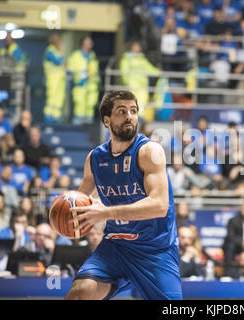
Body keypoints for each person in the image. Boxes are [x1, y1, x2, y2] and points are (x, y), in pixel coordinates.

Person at [64, 90, 182, 300]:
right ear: (106, 120)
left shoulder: (149, 152)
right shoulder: (95, 158)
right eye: (122, 111)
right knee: (79, 294)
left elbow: (159, 205)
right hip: (115, 247)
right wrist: (63, 213)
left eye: (133, 111)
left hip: (155, 250)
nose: (129, 116)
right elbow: (76, 201)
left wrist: (105, 213)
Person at [119, 41, 160, 120]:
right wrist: (126, 82)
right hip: (133, 84)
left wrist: (158, 72)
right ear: (132, 47)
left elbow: (149, 68)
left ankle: (140, 118)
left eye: (139, 47)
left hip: (142, 85)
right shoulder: (127, 58)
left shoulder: (142, 58)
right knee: (132, 101)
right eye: (136, 46)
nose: (138, 48)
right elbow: (124, 70)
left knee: (142, 101)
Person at [67, 35, 100, 125]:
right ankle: (78, 122)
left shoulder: (93, 56)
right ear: (82, 43)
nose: (89, 44)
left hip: (91, 85)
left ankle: (89, 121)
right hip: (80, 85)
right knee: (79, 104)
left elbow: (95, 71)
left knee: (91, 104)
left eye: (90, 43)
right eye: (87, 42)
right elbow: (70, 70)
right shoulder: (75, 55)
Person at [43, 33, 66, 123]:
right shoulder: (50, 50)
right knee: (52, 97)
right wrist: (62, 52)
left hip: (60, 78)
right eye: (59, 41)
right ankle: (48, 116)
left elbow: (64, 64)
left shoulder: (57, 51)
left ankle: (56, 116)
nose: (60, 43)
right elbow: (57, 61)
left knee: (59, 98)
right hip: (52, 78)